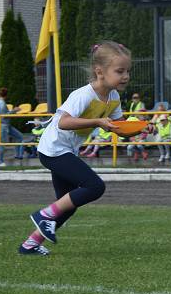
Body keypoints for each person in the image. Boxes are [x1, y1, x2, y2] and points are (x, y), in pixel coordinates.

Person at [18, 41, 130, 256]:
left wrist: (142, 128)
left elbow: (120, 128)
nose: (125, 76)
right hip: (53, 150)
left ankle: (30, 244)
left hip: (65, 151)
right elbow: (64, 122)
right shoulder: (84, 95)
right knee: (94, 186)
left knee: (67, 206)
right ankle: (44, 214)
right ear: (100, 71)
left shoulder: (113, 97)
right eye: (119, 71)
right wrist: (97, 122)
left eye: (127, 71)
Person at [0, 87, 25, 166]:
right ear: (6, 95)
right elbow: (4, 115)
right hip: (3, 126)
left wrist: (12, 111)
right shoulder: (1, 103)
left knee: (20, 137)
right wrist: (15, 110)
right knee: (2, 143)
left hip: (7, 125)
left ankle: (17, 155)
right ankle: (0, 162)